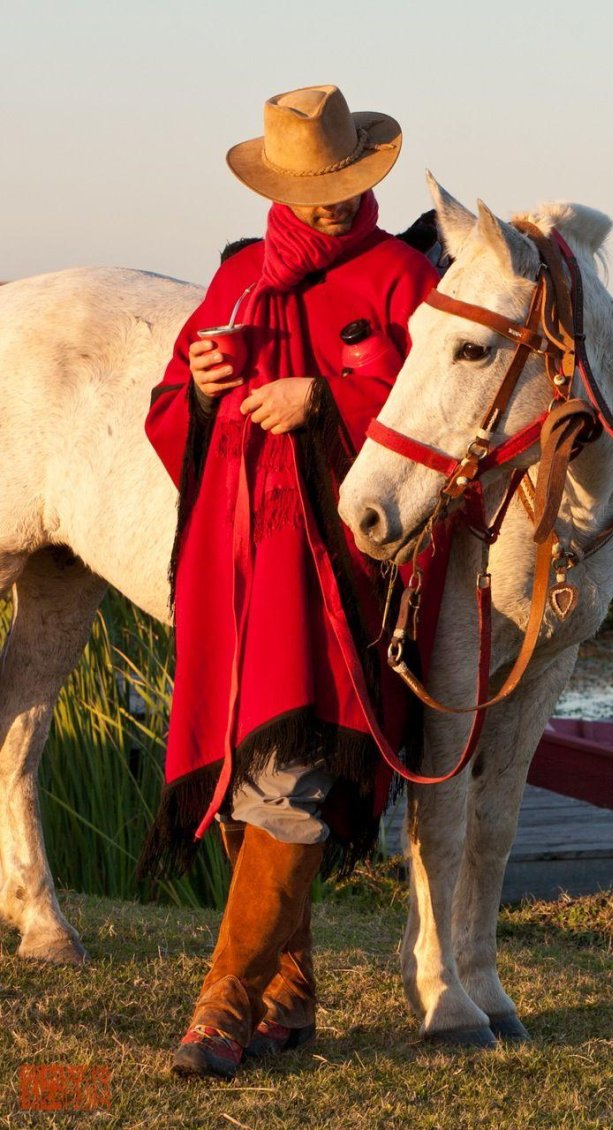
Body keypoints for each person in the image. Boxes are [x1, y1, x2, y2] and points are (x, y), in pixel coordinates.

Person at [140, 85, 438, 1079]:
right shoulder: (235, 277)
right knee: (242, 789)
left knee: (293, 785)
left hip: (336, 577)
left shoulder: (401, 277)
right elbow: (169, 406)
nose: (323, 202)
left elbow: (436, 420)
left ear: (365, 177)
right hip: (235, 567)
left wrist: (329, 395)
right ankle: (290, 996)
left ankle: (218, 1012)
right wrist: (202, 386)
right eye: (308, 186)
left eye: (338, 184)